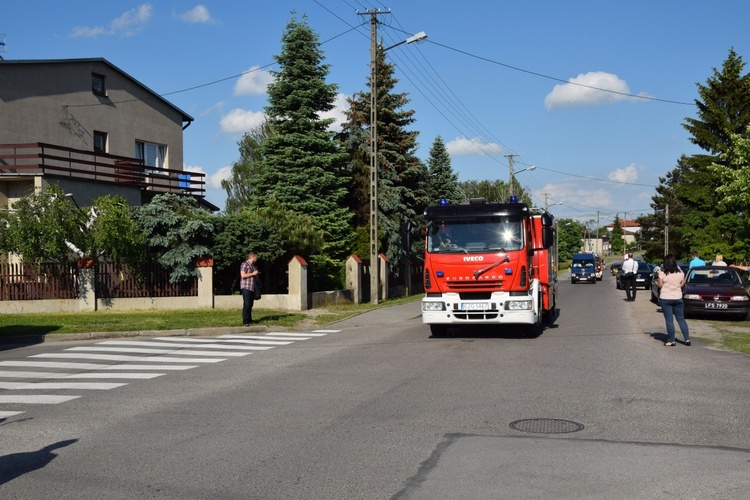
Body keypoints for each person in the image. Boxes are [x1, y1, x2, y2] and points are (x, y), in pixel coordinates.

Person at [657, 254, 690, 347]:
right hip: (678, 298)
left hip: (666, 298)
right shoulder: (680, 273)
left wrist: (658, 275)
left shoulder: (663, 274)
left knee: (669, 320)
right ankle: (687, 339)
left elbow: (659, 285)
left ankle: (672, 340)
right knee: (681, 319)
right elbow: (682, 284)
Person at [240, 251, 260, 326]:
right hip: (246, 287)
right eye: (256, 257)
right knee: (247, 304)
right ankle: (245, 321)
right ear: (253, 256)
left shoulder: (253, 266)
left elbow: (254, 276)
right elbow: (243, 275)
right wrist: (253, 274)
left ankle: (249, 319)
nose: (257, 258)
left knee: (251, 304)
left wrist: (256, 275)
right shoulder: (244, 264)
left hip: (252, 287)